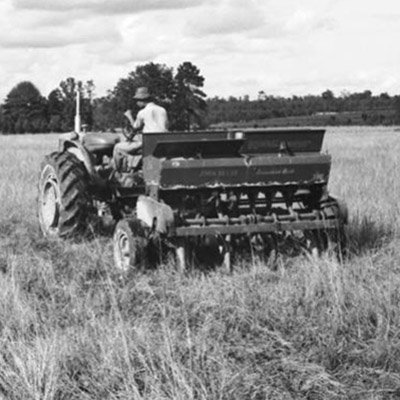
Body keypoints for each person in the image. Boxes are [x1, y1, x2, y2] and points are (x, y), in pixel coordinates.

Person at [113, 86, 169, 172]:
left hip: (148, 144)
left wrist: (129, 116)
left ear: (143, 100)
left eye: (137, 100)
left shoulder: (142, 112)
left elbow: (135, 127)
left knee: (118, 148)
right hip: (163, 143)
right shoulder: (162, 110)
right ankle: (135, 170)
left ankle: (120, 173)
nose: (137, 103)